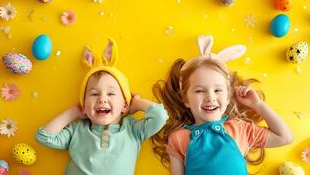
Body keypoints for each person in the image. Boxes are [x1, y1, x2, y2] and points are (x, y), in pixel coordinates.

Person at [151, 35, 293, 175]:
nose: (210, 97)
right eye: (200, 91)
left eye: (218, 90)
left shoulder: (240, 129)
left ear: (227, 97)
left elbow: (285, 137)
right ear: (185, 99)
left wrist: (257, 105)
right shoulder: (178, 138)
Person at [36, 39, 168, 175]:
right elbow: (44, 136)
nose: (102, 99)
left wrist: (137, 104)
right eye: (94, 94)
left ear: (124, 105)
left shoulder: (133, 130)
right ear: (84, 105)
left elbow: (160, 116)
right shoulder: (77, 130)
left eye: (111, 93)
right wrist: (74, 112)